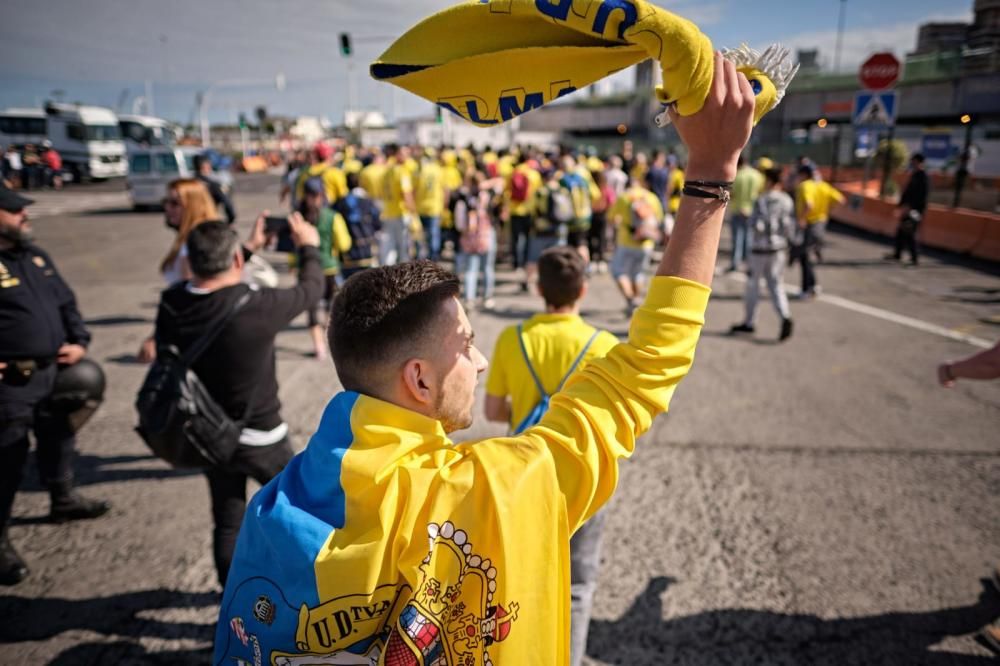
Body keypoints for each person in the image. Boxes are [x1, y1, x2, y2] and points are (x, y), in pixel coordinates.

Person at [213, 51, 755, 665]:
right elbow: (649, 364)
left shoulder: (268, 512)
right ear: (417, 378)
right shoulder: (499, 488)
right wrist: (711, 171)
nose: (477, 361)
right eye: (466, 344)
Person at [151, 216, 323, 585]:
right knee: (297, 513)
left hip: (210, 433)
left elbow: (211, 281)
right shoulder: (255, 305)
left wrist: (247, 247)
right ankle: (302, 592)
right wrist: (308, 244)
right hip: (263, 436)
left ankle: (230, 599)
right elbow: (311, 289)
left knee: (228, 520)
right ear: (237, 263)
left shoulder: (172, 303)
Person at [484, 246, 618, 666]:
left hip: (524, 476)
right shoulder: (604, 345)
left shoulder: (513, 338)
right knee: (577, 586)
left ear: (539, 289)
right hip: (583, 478)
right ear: (584, 289)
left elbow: (492, 411)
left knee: (519, 580)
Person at [0, 184, 110, 586]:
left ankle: (63, 499)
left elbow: (66, 303)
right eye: (13, 211)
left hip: (54, 372)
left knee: (59, 435)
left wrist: (79, 341)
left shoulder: (35, 257)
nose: (24, 216)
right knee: (7, 460)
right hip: (12, 381)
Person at [137, 178, 219, 363]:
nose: (168, 208)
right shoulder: (205, 237)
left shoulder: (192, 244)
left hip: (193, 336)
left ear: (194, 205)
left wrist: (155, 337)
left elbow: (189, 299)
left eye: (175, 203)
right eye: (165, 202)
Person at [729, 167, 796, 341]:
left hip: (759, 249)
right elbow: (789, 227)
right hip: (778, 249)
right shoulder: (787, 200)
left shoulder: (762, 200)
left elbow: (755, 224)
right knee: (776, 285)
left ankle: (750, 322)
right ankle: (785, 315)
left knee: (753, 285)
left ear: (769, 181)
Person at [298, 178, 352, 360]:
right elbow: (344, 243)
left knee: (312, 309)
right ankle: (329, 342)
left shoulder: (299, 218)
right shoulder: (332, 217)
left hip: (307, 269)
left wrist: (293, 264)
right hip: (329, 268)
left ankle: (318, 347)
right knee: (331, 307)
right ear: (322, 195)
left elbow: (292, 247)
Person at [609, 176, 663, 314]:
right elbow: (658, 218)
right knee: (638, 273)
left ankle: (631, 300)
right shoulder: (651, 197)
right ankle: (637, 301)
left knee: (619, 271)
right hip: (646, 242)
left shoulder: (624, 197)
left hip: (626, 241)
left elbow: (611, 217)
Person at [794, 163, 843, 299]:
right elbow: (840, 200)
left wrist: (802, 219)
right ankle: (811, 286)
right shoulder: (823, 185)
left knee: (805, 256)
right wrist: (826, 212)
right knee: (807, 255)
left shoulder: (805, 186)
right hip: (820, 223)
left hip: (809, 224)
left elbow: (809, 204)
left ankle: (809, 287)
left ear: (804, 174)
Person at [454, 172, 497, 310]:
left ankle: (469, 298)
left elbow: (459, 223)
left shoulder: (464, 199)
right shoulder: (488, 197)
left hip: (469, 238)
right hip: (486, 236)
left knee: (470, 270)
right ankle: (487, 296)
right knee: (487, 268)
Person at [334, 172, 382, 280]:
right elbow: (378, 224)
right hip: (367, 251)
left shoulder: (340, 203)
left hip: (349, 255)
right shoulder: (369, 202)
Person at [886, 153, 929, 267]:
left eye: (914, 161)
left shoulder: (922, 176)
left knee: (910, 232)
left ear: (920, 162)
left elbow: (921, 195)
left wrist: (910, 207)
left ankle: (914, 259)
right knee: (901, 231)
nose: (912, 163)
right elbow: (907, 193)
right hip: (908, 208)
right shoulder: (915, 175)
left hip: (914, 210)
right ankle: (897, 254)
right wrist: (901, 206)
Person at [379, 144, 416, 266]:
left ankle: (388, 275)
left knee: (390, 247)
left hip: (388, 213)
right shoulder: (401, 172)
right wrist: (413, 212)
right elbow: (406, 194)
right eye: (405, 154)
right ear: (398, 155)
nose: (408, 157)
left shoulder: (386, 171)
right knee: (403, 248)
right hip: (401, 214)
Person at [726, 155, 764, 272]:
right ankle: (749, 264)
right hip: (752, 211)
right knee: (749, 238)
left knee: (737, 238)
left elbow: (732, 194)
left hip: (737, 209)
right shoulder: (758, 175)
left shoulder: (737, 175)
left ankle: (735, 263)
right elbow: (761, 192)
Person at [506, 154, 542, 276]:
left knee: (515, 238)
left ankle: (516, 263)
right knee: (527, 238)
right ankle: (526, 261)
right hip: (529, 211)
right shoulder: (534, 174)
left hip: (515, 210)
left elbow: (507, 190)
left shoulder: (513, 172)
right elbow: (539, 193)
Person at [415, 148, 445, 261]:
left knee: (419, 235)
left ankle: (420, 257)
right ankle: (433, 258)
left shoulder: (419, 170)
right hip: (434, 207)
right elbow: (444, 189)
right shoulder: (439, 170)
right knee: (433, 235)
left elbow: (413, 189)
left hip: (420, 206)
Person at [193, 154, 236, 225]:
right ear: (205, 166)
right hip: (209, 219)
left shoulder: (189, 183)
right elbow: (227, 202)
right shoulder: (213, 184)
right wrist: (230, 219)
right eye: (208, 164)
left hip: (192, 221)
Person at [589, 170, 614, 273]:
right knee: (601, 237)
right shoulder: (606, 189)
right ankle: (600, 260)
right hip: (602, 215)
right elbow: (612, 202)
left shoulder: (592, 188)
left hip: (592, 215)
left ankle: (593, 259)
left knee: (592, 237)